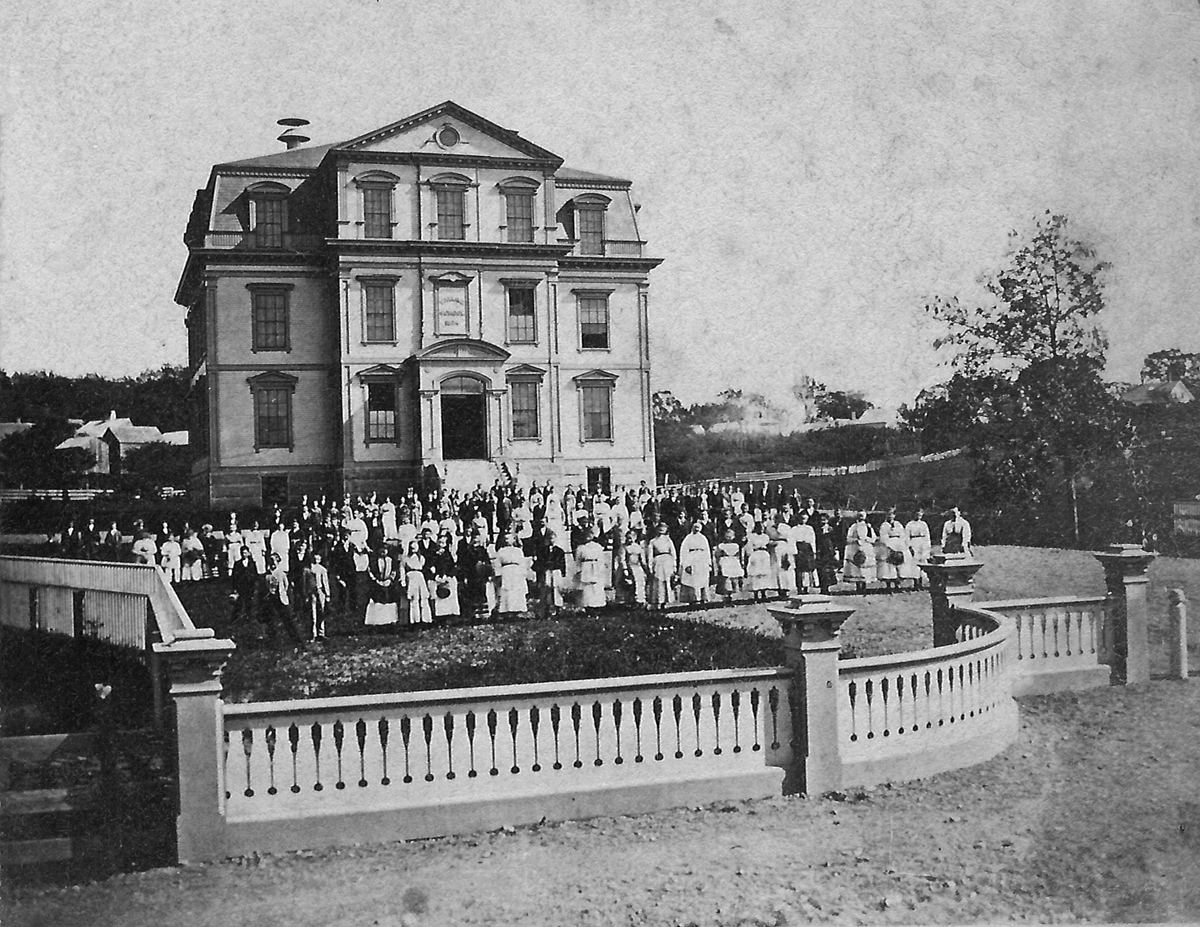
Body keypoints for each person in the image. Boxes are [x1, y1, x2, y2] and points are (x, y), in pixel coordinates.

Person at [495, 533, 529, 619]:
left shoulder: (518, 551)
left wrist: (523, 573)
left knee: (516, 590)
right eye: (506, 539)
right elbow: (497, 564)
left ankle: (517, 611)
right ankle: (507, 611)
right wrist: (498, 574)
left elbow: (522, 563)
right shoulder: (501, 551)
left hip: (516, 572)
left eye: (509, 539)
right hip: (506, 572)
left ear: (514, 540)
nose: (507, 541)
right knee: (507, 590)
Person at [678, 522, 712, 604]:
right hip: (692, 559)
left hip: (702, 560)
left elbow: (707, 551)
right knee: (692, 580)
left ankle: (703, 598)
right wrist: (686, 564)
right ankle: (693, 599)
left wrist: (709, 563)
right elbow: (684, 552)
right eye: (695, 527)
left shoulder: (703, 538)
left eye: (698, 528)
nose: (696, 529)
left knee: (703, 579)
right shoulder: (688, 538)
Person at [364, 549, 399, 627]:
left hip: (388, 583)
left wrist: (390, 579)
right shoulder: (374, 561)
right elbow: (370, 571)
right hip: (377, 583)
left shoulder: (391, 560)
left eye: (385, 550)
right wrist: (376, 580)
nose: (383, 552)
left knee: (388, 601)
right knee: (377, 601)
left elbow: (394, 570)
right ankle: (376, 622)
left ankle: (390, 621)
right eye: (381, 550)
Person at [843, 511, 876, 595]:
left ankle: (864, 586)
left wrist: (867, 539)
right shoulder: (854, 526)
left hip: (866, 547)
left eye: (862, 516)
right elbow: (848, 538)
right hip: (855, 548)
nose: (861, 517)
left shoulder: (868, 527)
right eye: (859, 516)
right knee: (856, 567)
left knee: (865, 566)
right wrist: (855, 540)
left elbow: (873, 538)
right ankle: (858, 586)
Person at [875, 508, 906, 595]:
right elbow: (883, 537)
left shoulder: (898, 524)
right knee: (888, 566)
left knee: (899, 564)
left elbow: (903, 535)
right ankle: (888, 586)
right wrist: (889, 547)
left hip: (899, 545)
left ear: (894, 515)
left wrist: (901, 545)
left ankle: (897, 585)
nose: (890, 516)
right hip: (888, 545)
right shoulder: (884, 525)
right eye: (888, 514)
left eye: (892, 514)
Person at [576, 529, 608, 611]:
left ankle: (597, 605)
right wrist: (579, 570)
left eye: (590, 535)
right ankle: (588, 606)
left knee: (596, 585)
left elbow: (601, 559)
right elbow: (578, 561)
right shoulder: (581, 548)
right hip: (586, 567)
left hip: (596, 566)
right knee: (587, 586)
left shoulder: (597, 546)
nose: (588, 537)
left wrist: (601, 569)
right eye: (586, 535)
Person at [646, 522, 676, 609]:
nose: (661, 529)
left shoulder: (668, 540)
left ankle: (665, 602)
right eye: (660, 527)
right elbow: (650, 555)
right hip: (658, 562)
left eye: (664, 527)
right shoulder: (653, 541)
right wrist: (650, 566)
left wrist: (674, 565)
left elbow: (673, 553)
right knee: (658, 581)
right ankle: (657, 601)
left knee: (667, 580)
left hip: (667, 561)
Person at [302, 553, 332, 641]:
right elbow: (304, 583)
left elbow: (325, 582)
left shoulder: (322, 569)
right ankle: (313, 634)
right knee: (312, 613)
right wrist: (305, 594)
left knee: (321, 612)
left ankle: (321, 633)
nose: (316, 560)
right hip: (311, 592)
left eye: (318, 558)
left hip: (320, 591)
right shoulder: (306, 570)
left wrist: (327, 594)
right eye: (314, 558)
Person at [230, 546, 260, 624]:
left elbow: (255, 574)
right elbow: (234, 576)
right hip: (241, 586)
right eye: (242, 553)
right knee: (239, 602)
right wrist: (235, 587)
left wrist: (252, 581)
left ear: (248, 553)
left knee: (249, 602)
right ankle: (236, 618)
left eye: (245, 553)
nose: (244, 554)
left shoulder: (252, 563)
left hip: (250, 586)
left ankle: (248, 617)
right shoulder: (238, 563)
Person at [903, 508, 931, 590]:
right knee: (915, 563)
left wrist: (927, 545)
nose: (918, 516)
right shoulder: (909, 524)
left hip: (923, 542)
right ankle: (916, 583)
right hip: (914, 542)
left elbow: (927, 535)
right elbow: (906, 537)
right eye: (917, 514)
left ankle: (922, 582)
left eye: (920, 514)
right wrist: (909, 546)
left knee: (923, 562)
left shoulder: (924, 524)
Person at [744, 523, 772, 602]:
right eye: (759, 527)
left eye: (762, 527)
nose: (760, 529)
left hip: (764, 555)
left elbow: (768, 546)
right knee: (756, 574)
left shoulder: (765, 537)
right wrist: (750, 555)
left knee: (764, 574)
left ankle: (764, 594)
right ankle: (756, 594)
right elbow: (749, 547)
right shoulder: (751, 537)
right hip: (756, 554)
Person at [621, 529, 649, 606]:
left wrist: (645, 570)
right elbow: (622, 559)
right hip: (629, 567)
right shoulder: (625, 547)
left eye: (631, 538)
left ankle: (640, 600)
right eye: (628, 538)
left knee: (640, 582)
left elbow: (642, 560)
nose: (629, 540)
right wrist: (625, 569)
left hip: (637, 567)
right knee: (630, 584)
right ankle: (630, 601)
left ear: (635, 538)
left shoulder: (638, 547)